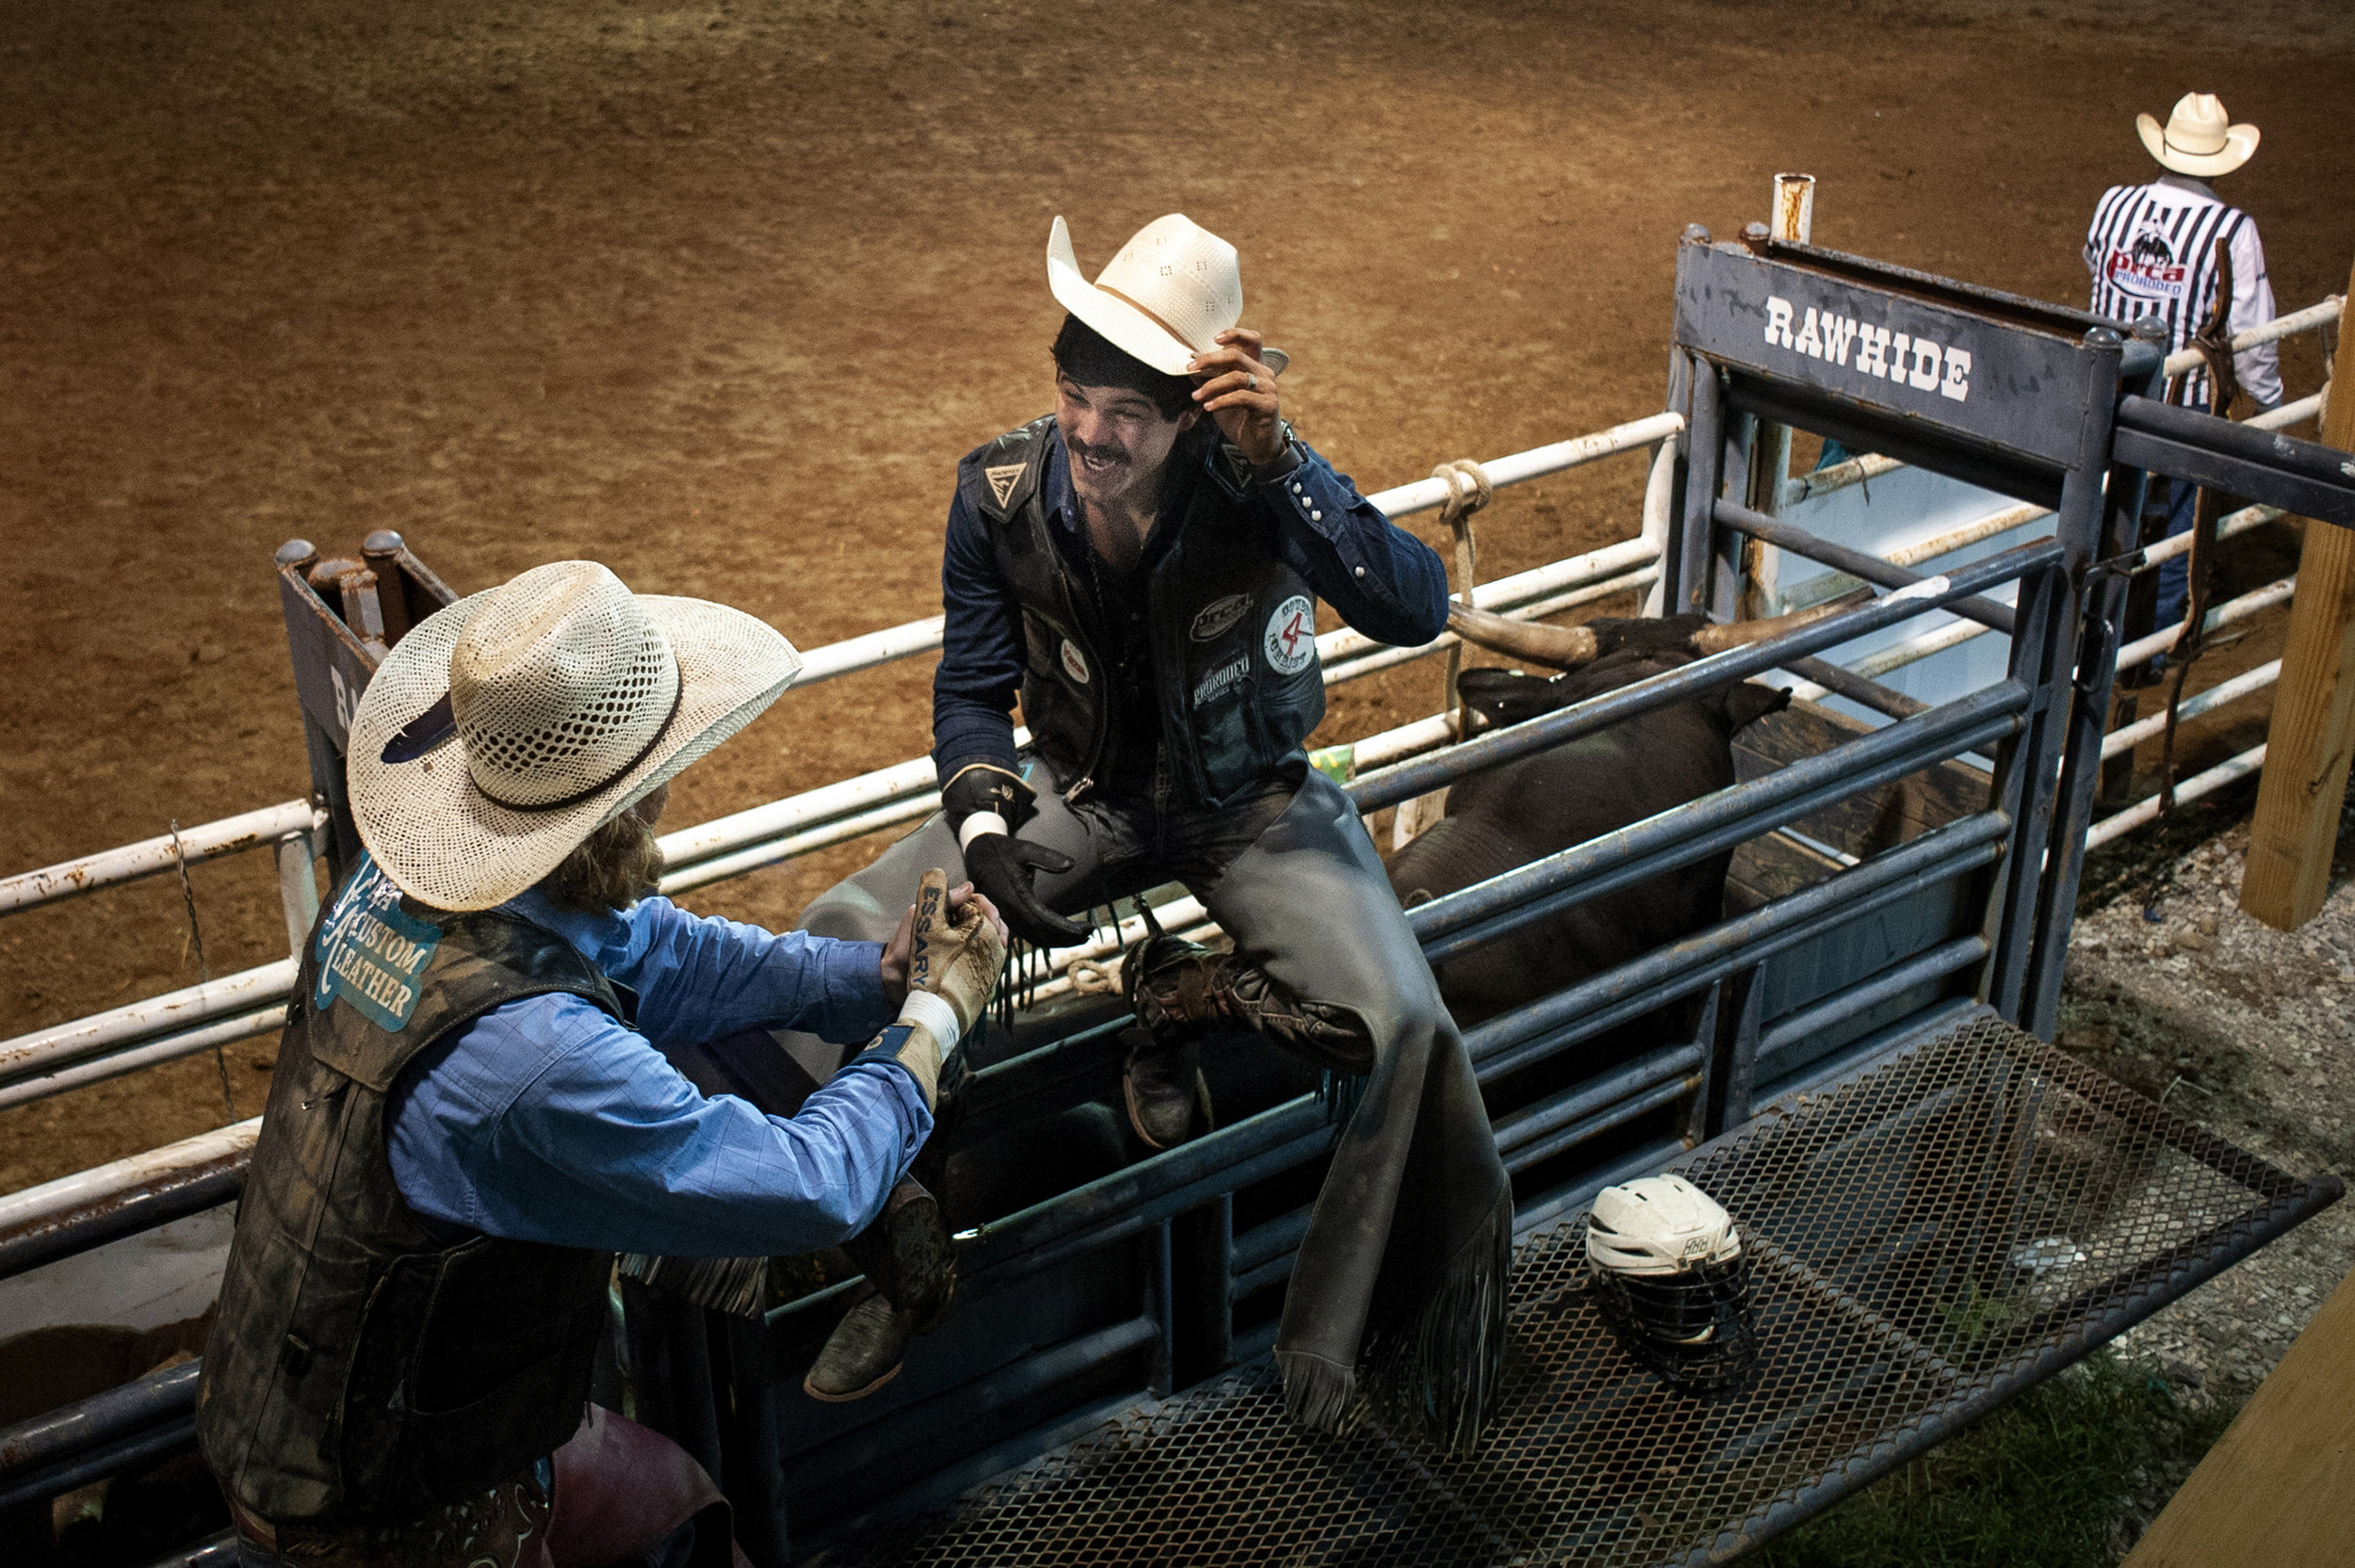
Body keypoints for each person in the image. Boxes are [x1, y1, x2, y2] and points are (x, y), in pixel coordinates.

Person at [777, 213, 1513, 1451]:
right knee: (842, 937)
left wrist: (1285, 463)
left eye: (1126, 410)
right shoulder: (999, 493)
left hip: (1255, 805)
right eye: (1074, 394)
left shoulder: (1265, 482)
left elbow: (1414, 606)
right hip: (1080, 794)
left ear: (1188, 416)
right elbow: (970, 687)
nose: (1089, 431)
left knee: (1409, 1027)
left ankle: (1338, 1343)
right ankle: (900, 1249)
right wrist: (982, 818)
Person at [196, 560, 1005, 1568]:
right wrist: (930, 1018)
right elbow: (811, 1185)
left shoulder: (400, 895)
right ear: (630, 797)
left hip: (322, 1415)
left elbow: (658, 954)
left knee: (681, 1518)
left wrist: (871, 977)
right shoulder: (529, 1057)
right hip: (390, 1512)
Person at [2084, 90, 2282, 634]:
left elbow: (2094, 264)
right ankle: (2153, 642)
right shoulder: (2233, 232)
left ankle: (2083, 625)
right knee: (2176, 530)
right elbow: (2253, 337)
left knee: (2098, 509)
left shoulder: (2113, 203)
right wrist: (2270, 405)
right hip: (2181, 409)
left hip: (2103, 388)